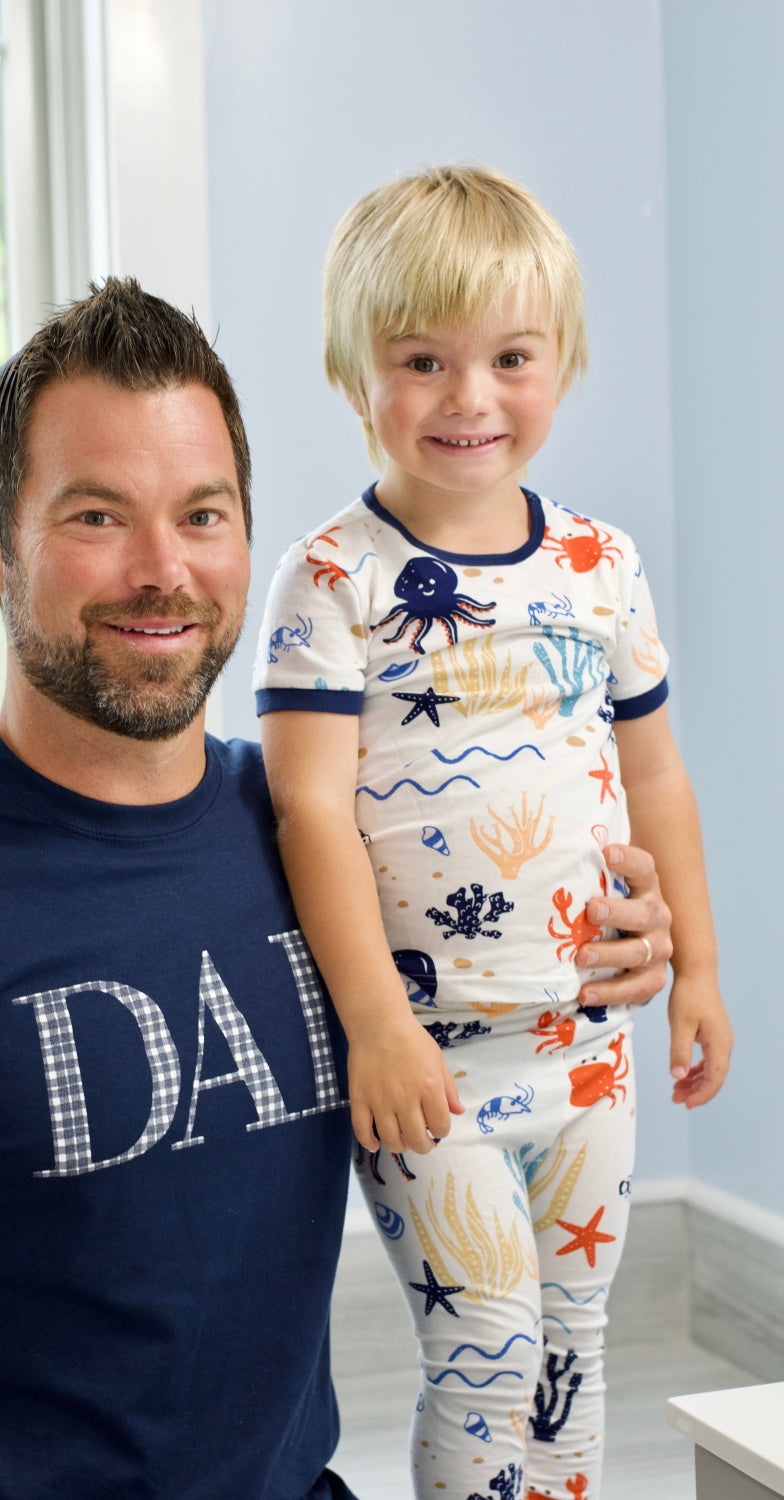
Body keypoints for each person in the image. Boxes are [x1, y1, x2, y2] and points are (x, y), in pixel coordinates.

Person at [0, 277, 671, 1500]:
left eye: (203, 515)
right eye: (96, 516)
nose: (163, 570)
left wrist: (630, 934)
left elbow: (533, 889)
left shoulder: (332, 836)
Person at [253, 166, 731, 1500]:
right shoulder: (332, 580)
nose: (471, 398)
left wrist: (695, 967)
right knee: (484, 1343)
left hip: (588, 1050)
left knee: (573, 1343)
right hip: (430, 1062)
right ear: (358, 375)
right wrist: (378, 1027)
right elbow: (306, 807)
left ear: (562, 364)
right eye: (424, 360)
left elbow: (660, 776)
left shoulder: (601, 566)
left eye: (511, 357)